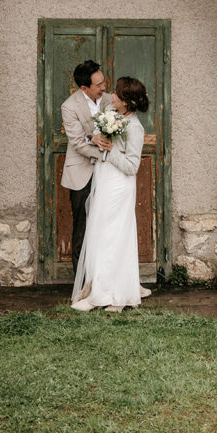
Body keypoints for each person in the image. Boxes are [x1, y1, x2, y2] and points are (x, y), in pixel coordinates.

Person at [71, 76, 150, 312]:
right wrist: (97, 141)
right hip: (104, 180)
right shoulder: (112, 114)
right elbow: (98, 139)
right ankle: (101, 288)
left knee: (112, 237)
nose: (111, 96)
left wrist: (110, 151)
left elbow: (132, 167)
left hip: (119, 185)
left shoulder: (134, 128)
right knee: (99, 234)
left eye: (116, 94)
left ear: (126, 102)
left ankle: (111, 294)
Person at [60, 60, 111, 274]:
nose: (104, 87)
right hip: (82, 172)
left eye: (103, 81)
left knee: (108, 223)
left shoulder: (110, 100)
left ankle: (104, 276)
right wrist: (102, 152)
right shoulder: (69, 106)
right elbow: (78, 142)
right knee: (82, 225)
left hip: (109, 172)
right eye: (98, 85)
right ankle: (81, 281)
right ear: (84, 88)